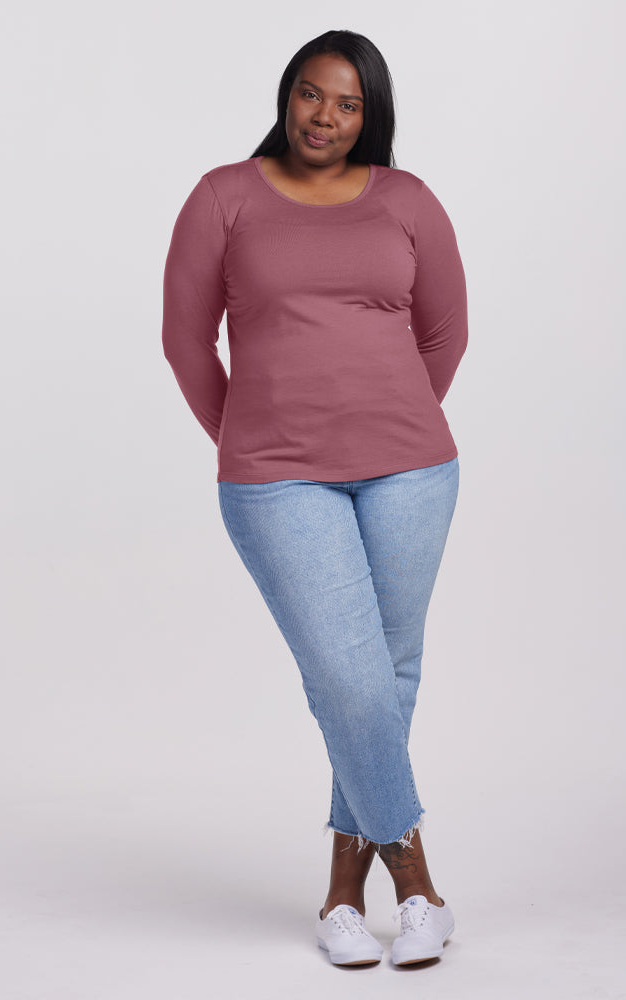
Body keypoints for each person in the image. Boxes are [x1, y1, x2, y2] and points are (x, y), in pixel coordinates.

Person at [161, 28, 468, 968]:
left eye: (346, 103)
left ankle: (343, 895)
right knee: (351, 678)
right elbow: (185, 343)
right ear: (285, 95)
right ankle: (419, 885)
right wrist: (255, 442)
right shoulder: (224, 197)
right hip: (275, 479)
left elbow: (445, 337)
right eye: (309, 94)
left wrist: (386, 423)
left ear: (369, 113)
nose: (323, 116)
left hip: (411, 470)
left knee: (386, 678)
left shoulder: (408, 202)